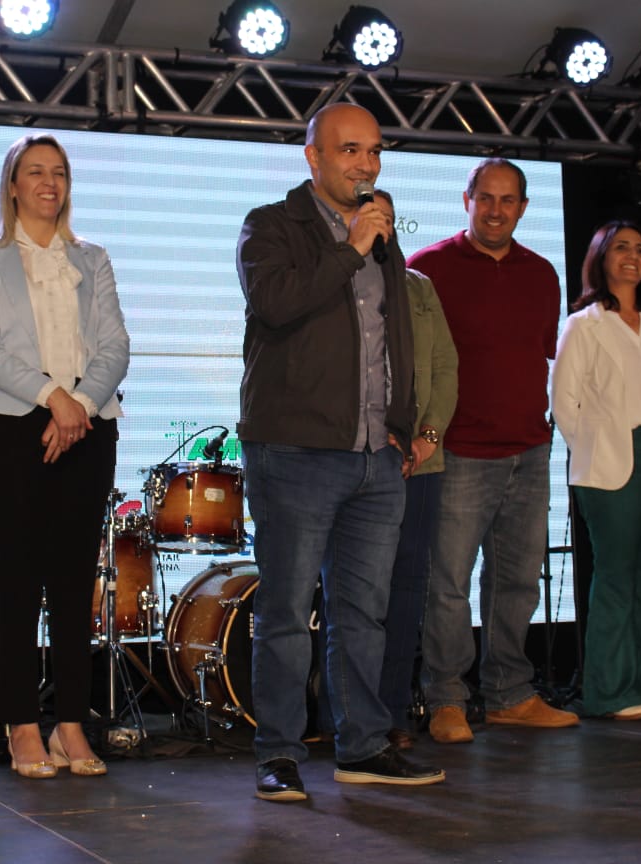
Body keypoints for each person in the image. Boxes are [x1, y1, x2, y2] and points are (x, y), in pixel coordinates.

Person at [237, 103, 444, 802]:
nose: (366, 164)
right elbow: (276, 303)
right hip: (295, 451)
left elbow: (395, 336)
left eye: (375, 151)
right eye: (350, 150)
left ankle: (363, 746)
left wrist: (404, 423)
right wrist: (351, 248)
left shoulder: (381, 233)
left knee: (364, 615)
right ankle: (278, 754)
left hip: (375, 455)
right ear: (314, 157)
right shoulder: (272, 226)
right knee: (287, 612)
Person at [0, 134, 128, 779]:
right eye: (35, 172)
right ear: (12, 185)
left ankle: (71, 725)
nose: (49, 183)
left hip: (87, 424)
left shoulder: (93, 258)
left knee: (73, 583)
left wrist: (78, 405)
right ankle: (21, 724)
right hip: (13, 427)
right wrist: (54, 399)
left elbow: (115, 345)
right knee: (19, 580)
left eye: (58, 172)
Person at [409, 158, 580, 744]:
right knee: (447, 585)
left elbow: (539, 355)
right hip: (459, 452)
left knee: (518, 583)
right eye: (486, 198)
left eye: (508, 200)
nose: (496, 210)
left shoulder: (542, 273)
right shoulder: (427, 268)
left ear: (524, 208)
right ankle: (446, 698)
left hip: (528, 451)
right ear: (467, 200)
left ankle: (509, 694)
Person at [550, 221, 641, 720]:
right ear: (601, 257)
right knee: (616, 575)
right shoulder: (583, 324)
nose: (632, 256)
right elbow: (564, 402)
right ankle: (613, 691)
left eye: (639, 249)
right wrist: (596, 448)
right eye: (621, 248)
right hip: (611, 458)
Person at [371, 190, 458, 749]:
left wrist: (425, 439)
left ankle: (393, 712)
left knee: (407, 589)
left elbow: (446, 366)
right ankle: (344, 715)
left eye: (386, 217)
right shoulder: (336, 282)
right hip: (358, 459)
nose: (380, 226)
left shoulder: (419, 287)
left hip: (421, 465)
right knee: (356, 593)